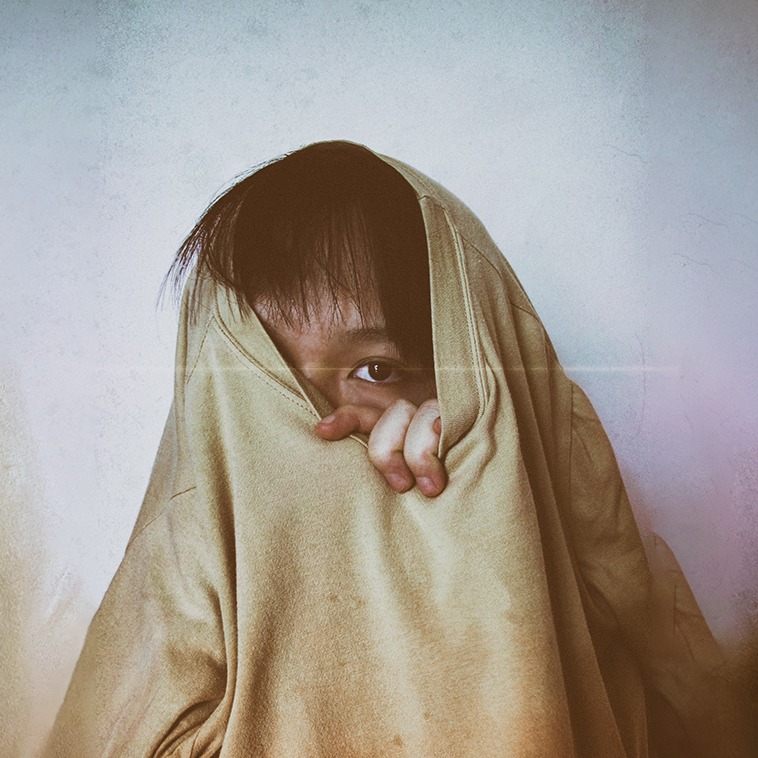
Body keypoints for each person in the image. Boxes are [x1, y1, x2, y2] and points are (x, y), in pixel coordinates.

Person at [48, 141, 746, 757]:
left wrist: (481, 498)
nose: (319, 428)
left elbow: (691, 703)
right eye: (268, 389)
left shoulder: (541, 508)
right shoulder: (181, 571)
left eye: (376, 369)